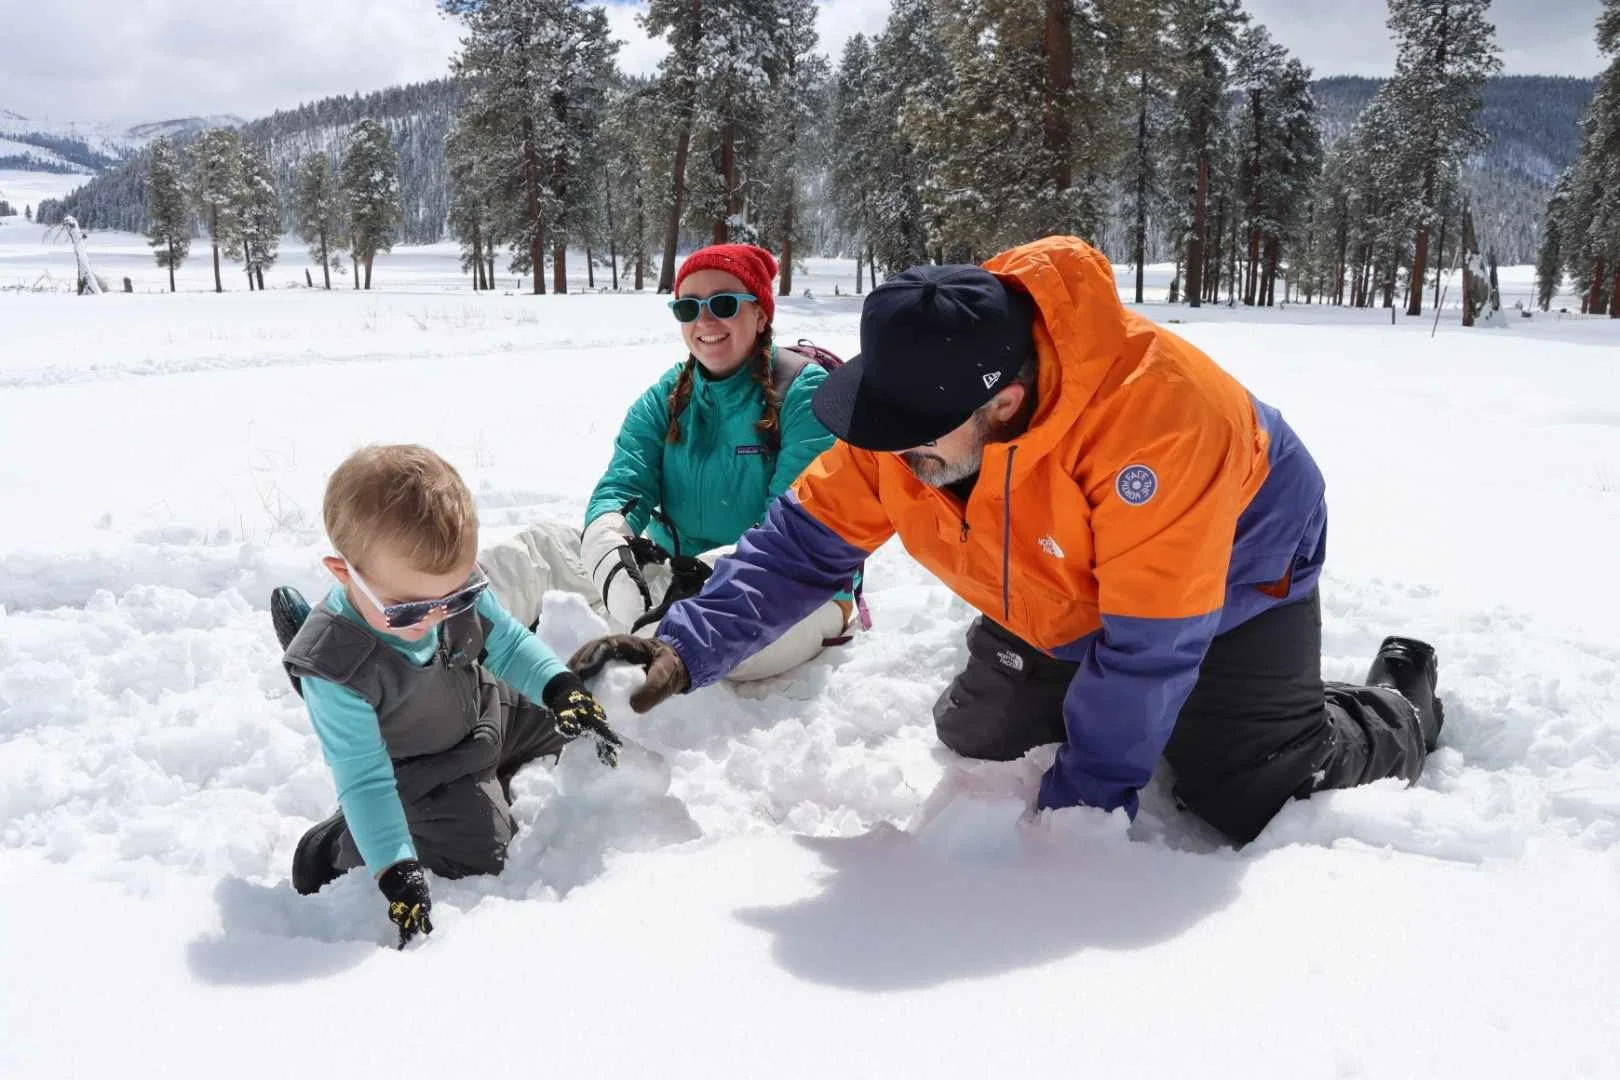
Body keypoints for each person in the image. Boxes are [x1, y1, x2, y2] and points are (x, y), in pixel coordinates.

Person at [566, 234, 1446, 848]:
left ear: (1008, 404)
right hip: (1059, 578)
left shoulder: (1159, 425)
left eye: (916, 441)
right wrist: (681, 646)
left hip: (1234, 571)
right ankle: (1193, 712)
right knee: (982, 735)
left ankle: (1393, 705)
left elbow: (1148, 645)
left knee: (1248, 783)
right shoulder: (911, 423)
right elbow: (799, 549)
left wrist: (1075, 830)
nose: (896, 460)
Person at [269, 444, 622, 947]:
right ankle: (335, 844)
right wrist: (396, 870)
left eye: (456, 597)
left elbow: (504, 638)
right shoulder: (341, 675)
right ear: (344, 573)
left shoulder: (435, 586)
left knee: (582, 726)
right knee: (484, 858)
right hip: (421, 766)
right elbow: (367, 783)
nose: (437, 616)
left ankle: (491, 750)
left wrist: (559, 687)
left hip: (484, 706)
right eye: (409, 611)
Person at [479, 242, 861, 683]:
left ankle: (654, 635)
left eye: (723, 303)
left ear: (760, 315)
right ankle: (446, 619)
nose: (705, 320)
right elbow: (625, 482)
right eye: (688, 307)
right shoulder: (667, 396)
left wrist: (706, 576)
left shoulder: (804, 393)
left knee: (724, 645)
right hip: (674, 570)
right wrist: (608, 543)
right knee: (544, 549)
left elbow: (793, 527)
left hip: (785, 585)